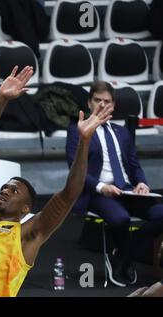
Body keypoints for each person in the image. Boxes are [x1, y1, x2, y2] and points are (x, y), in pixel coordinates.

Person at [0, 66, 114, 297]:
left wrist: (84, 141)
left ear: (26, 209)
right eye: (5, 187)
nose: (5, 191)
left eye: (14, 191)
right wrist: (1, 99)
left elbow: (69, 195)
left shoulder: (27, 234)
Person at [66, 81, 163, 287]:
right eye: (97, 100)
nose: (102, 105)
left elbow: (134, 165)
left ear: (113, 105)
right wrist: (102, 187)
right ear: (89, 103)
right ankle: (126, 258)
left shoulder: (122, 132)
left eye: (106, 101)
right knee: (120, 219)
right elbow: (75, 170)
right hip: (96, 192)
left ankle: (124, 253)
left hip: (127, 190)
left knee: (161, 214)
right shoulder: (78, 130)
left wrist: (142, 183)